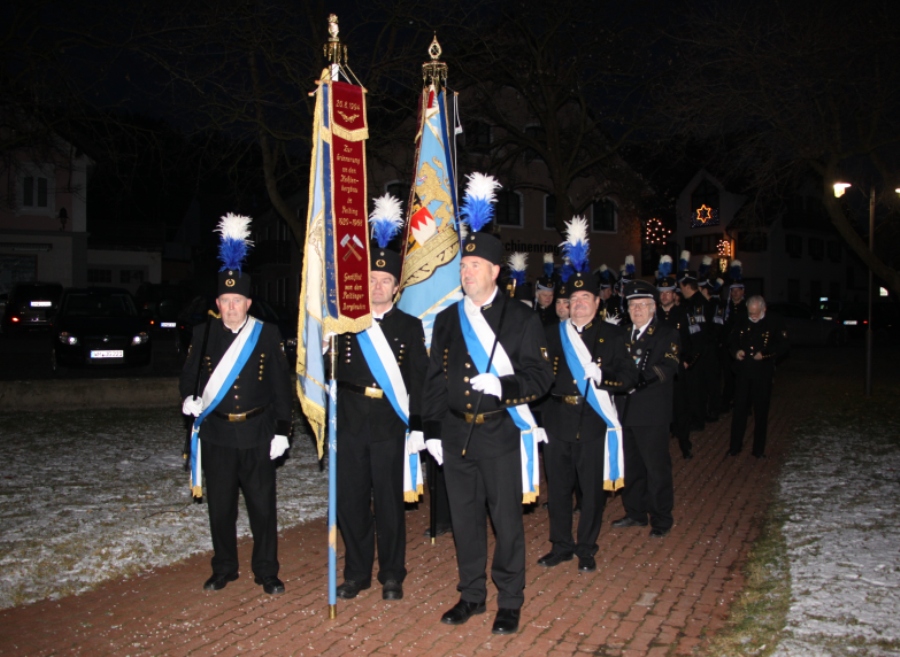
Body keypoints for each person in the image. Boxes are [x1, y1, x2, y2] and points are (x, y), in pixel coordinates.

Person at [422, 188, 553, 635]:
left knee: (506, 521)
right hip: (457, 436)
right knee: (464, 520)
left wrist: (503, 385)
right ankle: (472, 595)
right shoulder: (446, 319)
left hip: (499, 435)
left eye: (474, 265)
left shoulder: (520, 318)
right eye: (463, 265)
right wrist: (433, 432)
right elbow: (435, 379)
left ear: (495, 271)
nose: (466, 271)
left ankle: (510, 599)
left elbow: (541, 378)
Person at [180, 213, 292, 595]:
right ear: (218, 302)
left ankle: (267, 571)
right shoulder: (203, 333)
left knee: (263, 509)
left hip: (258, 433)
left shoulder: (267, 334)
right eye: (225, 301)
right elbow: (188, 377)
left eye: (238, 301)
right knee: (220, 508)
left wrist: (282, 430)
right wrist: (188, 400)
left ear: (248, 302)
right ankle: (224, 567)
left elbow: (281, 386)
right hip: (218, 435)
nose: (231, 307)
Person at [333, 201, 428, 601]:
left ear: (396, 287)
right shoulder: (344, 322)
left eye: (384, 280)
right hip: (351, 422)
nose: (377, 286)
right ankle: (356, 573)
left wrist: (419, 427)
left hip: (391, 425)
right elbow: (328, 372)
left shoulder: (410, 325)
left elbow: (420, 381)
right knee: (352, 503)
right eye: (371, 279)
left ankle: (392, 573)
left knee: (389, 505)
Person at [539, 234, 637, 572]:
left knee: (592, 492)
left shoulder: (612, 336)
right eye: (574, 298)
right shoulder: (553, 333)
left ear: (597, 302)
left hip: (593, 421)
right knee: (559, 490)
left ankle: (586, 548)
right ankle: (561, 545)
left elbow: (629, 378)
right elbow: (537, 375)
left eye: (585, 297)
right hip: (556, 420)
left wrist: (603, 375)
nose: (578, 303)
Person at [612, 279, 680, 537]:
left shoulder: (666, 334)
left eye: (642, 305)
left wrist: (636, 379)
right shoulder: (620, 334)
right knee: (631, 467)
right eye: (632, 305)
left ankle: (661, 518)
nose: (637, 310)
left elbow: (668, 366)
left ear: (654, 308)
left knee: (656, 468)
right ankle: (635, 513)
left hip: (651, 412)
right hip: (624, 411)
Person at [728, 295, 789, 458]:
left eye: (756, 313)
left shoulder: (774, 321)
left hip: (762, 373)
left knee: (761, 412)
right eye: (751, 313)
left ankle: (758, 450)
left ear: (764, 310)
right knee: (739, 410)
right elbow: (732, 339)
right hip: (743, 372)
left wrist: (766, 354)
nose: (753, 316)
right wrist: (736, 351)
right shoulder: (741, 319)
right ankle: (735, 446)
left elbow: (783, 345)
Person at [654, 258, 693, 459]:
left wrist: (687, 360)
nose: (665, 296)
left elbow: (691, 341)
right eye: (662, 293)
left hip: (678, 369)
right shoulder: (654, 316)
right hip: (659, 370)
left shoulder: (682, 314)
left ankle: (685, 444)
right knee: (661, 410)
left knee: (681, 408)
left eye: (668, 292)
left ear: (674, 294)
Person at [678, 262, 715, 430]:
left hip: (699, 354)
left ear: (686, 286)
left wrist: (693, 358)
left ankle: (698, 420)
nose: (680, 290)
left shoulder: (698, 304)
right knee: (691, 389)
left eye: (680, 286)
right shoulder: (692, 303)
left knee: (696, 389)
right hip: (696, 352)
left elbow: (700, 334)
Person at [721, 261, 748, 411]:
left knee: (742, 378)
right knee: (728, 377)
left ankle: (743, 404)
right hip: (728, 347)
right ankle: (726, 402)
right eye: (733, 291)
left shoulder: (746, 308)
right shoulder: (726, 308)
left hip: (741, 347)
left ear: (743, 292)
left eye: (738, 290)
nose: (735, 293)